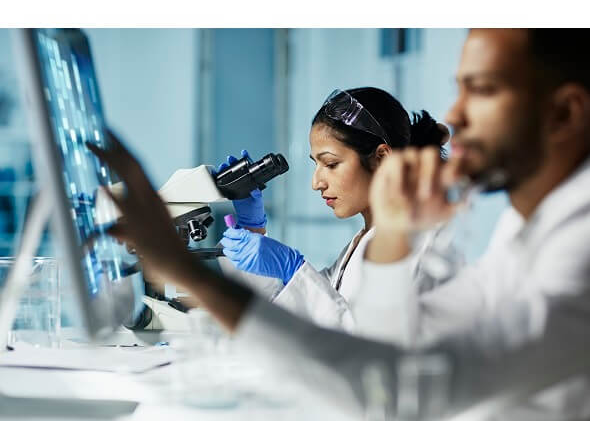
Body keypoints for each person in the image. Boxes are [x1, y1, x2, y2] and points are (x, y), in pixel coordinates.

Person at [89, 28, 590, 419]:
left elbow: (390, 390)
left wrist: (190, 269)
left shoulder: (578, 258)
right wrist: (382, 239)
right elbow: (379, 348)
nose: (456, 113)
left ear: (565, 114)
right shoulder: (524, 235)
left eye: (481, 90)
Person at [215, 87, 449, 335]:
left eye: (331, 164)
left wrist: (294, 269)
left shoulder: (413, 244)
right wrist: (253, 230)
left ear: (381, 158)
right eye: (316, 164)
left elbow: (364, 348)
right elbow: (302, 316)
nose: (316, 183)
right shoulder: (365, 242)